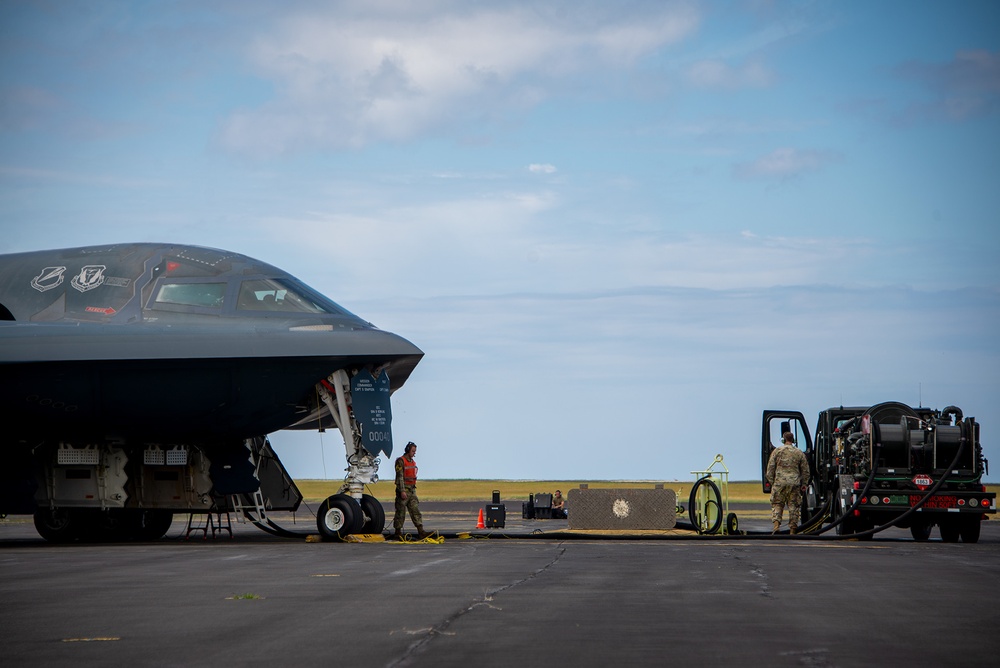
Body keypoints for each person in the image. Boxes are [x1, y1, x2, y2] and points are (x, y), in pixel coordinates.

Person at [765, 431, 810, 534]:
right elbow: (805, 470)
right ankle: (793, 529)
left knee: (777, 504)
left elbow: (770, 470)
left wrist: (773, 483)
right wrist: (804, 484)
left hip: (779, 482)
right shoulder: (799, 452)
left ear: (783, 439)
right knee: (794, 506)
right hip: (794, 483)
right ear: (793, 440)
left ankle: (776, 526)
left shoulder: (777, 451)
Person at [392, 441, 431, 540]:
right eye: (413, 451)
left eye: (415, 451)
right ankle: (397, 532)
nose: (414, 453)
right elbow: (399, 477)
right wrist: (402, 491)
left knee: (415, 511)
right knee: (400, 512)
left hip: (412, 490)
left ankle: (421, 531)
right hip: (404, 490)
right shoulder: (401, 461)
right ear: (408, 450)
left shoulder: (412, 462)